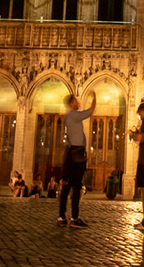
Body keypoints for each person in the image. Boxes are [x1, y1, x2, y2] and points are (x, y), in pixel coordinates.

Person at [56, 93, 93, 227]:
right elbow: (89, 112)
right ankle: (73, 218)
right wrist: (94, 99)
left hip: (72, 153)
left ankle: (63, 217)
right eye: (76, 101)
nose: (78, 103)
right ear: (72, 103)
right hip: (75, 153)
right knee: (75, 186)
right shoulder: (73, 115)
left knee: (68, 185)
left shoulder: (70, 116)